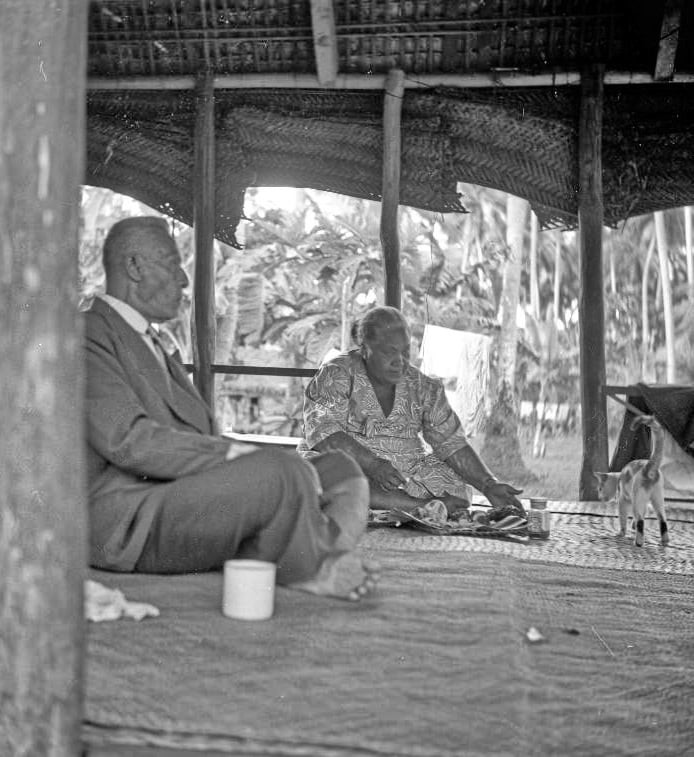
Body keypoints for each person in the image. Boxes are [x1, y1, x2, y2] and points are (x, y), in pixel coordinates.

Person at [84, 216, 378, 601]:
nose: (185, 281)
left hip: (183, 492)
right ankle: (308, 567)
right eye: (173, 265)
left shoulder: (151, 343)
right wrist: (235, 454)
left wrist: (240, 457)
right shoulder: (86, 333)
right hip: (128, 516)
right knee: (283, 475)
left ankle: (299, 554)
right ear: (134, 266)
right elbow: (130, 442)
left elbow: (196, 438)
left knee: (338, 468)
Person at [298, 306, 524, 518]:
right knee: (323, 476)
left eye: (406, 352)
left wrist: (488, 485)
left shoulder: (423, 386)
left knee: (457, 487)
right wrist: (373, 464)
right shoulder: (335, 374)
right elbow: (324, 434)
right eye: (390, 353)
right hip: (351, 464)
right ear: (365, 349)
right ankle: (418, 507)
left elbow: (451, 442)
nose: (400, 362)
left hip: (403, 471)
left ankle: (394, 504)